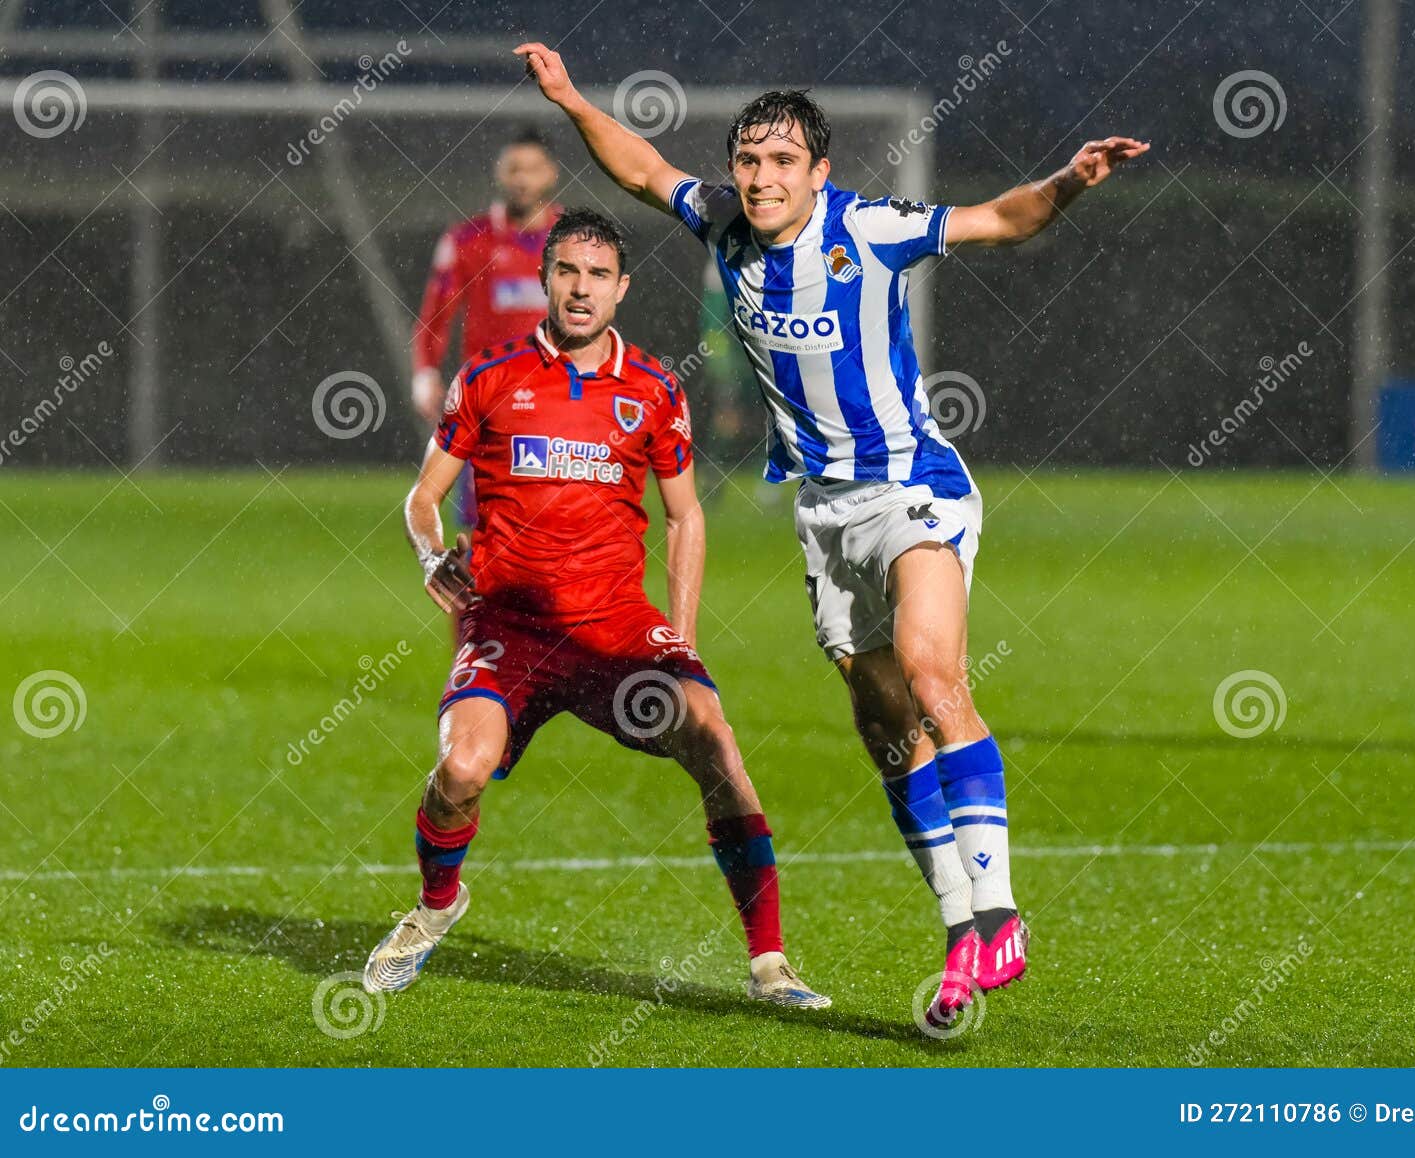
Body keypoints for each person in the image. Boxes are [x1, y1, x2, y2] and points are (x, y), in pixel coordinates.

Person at [517, 40, 1148, 1028]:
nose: (760, 179)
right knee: (885, 729)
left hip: (914, 489)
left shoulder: (874, 227)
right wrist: (566, 98)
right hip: (823, 513)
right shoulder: (723, 228)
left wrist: (1071, 179)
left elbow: (1000, 220)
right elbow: (640, 168)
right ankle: (957, 933)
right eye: (749, 160)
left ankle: (998, 913)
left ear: (818, 172)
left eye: (781, 162)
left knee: (934, 676)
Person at [364, 207, 830, 1011]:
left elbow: (686, 517)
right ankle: (436, 909)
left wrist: (679, 643)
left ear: (622, 289)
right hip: (509, 626)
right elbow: (422, 498)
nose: (581, 290)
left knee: (714, 739)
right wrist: (432, 556)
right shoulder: (488, 375)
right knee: (460, 772)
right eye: (567, 273)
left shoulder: (652, 388)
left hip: (615, 625)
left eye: (597, 276)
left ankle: (770, 964)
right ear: (547, 280)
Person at [411, 127, 562, 526]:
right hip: (488, 407)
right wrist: (426, 373)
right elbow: (435, 314)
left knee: (556, 526)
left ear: (551, 174)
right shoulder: (468, 241)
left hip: (561, 403)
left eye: (532, 168)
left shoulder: (575, 240)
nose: (522, 178)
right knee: (486, 530)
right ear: (500, 174)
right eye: (514, 168)